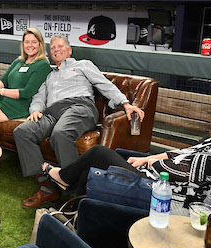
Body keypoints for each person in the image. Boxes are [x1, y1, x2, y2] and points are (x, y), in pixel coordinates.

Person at [44, 80, 211, 214]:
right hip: (159, 177)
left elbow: (183, 170)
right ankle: (71, 205)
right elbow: (189, 152)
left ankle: (62, 180)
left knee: (100, 154)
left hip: (164, 194)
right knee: (103, 160)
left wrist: (150, 164)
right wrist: (149, 158)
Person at [14, 34, 145, 209]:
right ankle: (47, 187)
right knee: (22, 132)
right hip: (52, 112)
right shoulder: (50, 75)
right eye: (52, 48)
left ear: (69, 50)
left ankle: (74, 195)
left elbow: (104, 84)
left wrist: (125, 103)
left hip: (79, 107)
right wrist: (35, 109)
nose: (56, 50)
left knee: (60, 134)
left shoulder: (83, 65)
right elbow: (39, 96)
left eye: (60, 46)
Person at [0, 27, 50, 134]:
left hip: (20, 104)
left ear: (40, 44)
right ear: (23, 44)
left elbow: (27, 92)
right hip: (6, 97)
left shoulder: (42, 64)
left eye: (34, 42)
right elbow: (3, 80)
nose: (30, 45)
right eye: (27, 42)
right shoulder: (20, 61)